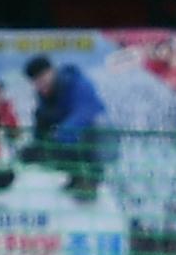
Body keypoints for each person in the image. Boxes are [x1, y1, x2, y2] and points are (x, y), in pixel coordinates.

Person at [19, 54, 109, 202]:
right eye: (36, 82)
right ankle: (75, 178)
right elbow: (42, 123)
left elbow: (87, 111)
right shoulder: (44, 97)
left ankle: (89, 182)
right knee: (30, 153)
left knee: (86, 138)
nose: (40, 85)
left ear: (52, 72)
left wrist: (62, 133)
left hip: (93, 137)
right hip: (66, 141)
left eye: (42, 78)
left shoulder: (76, 83)